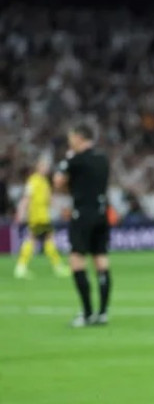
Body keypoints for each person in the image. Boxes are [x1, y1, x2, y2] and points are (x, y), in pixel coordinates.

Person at [54, 122, 112, 327]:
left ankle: (87, 313)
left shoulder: (75, 160)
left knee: (77, 260)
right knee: (101, 259)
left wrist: (66, 162)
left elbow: (58, 181)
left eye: (71, 137)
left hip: (82, 214)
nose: (70, 141)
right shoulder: (102, 158)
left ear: (79, 137)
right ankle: (103, 312)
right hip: (102, 212)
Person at [13, 153, 71, 279]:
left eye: (46, 166)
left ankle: (22, 267)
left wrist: (61, 210)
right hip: (37, 217)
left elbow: (49, 200)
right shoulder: (33, 180)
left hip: (43, 216)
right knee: (37, 240)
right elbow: (26, 198)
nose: (46, 168)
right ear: (38, 167)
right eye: (43, 166)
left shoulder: (44, 181)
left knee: (42, 240)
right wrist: (20, 213)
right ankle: (22, 267)